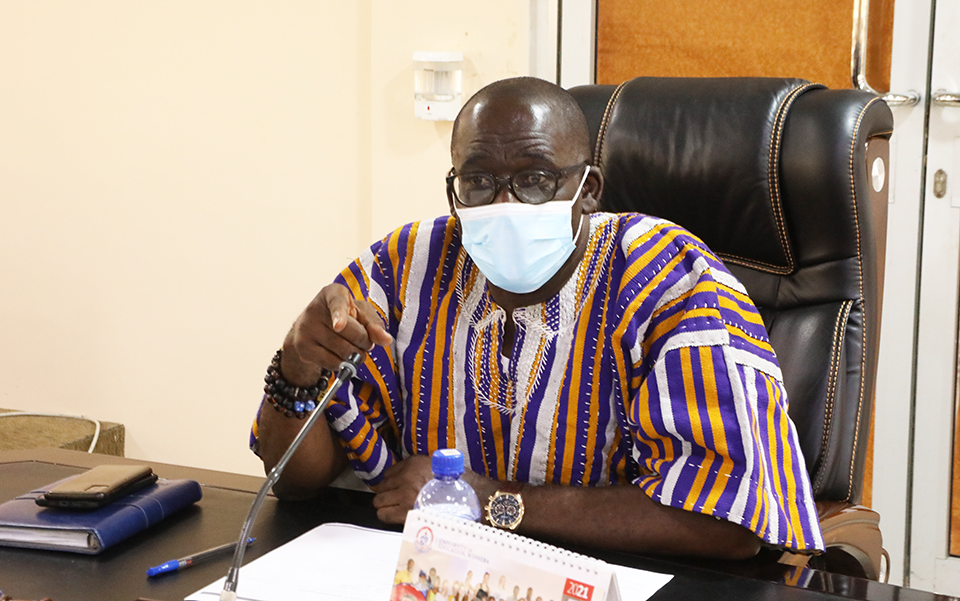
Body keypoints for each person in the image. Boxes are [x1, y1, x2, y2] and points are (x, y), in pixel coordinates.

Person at [251, 76, 824, 559]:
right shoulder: (407, 264)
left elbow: (728, 522)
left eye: (534, 179)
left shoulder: (670, 279)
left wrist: (488, 501)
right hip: (435, 573)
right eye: (478, 181)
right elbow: (296, 482)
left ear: (587, 189)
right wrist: (298, 365)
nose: (504, 205)